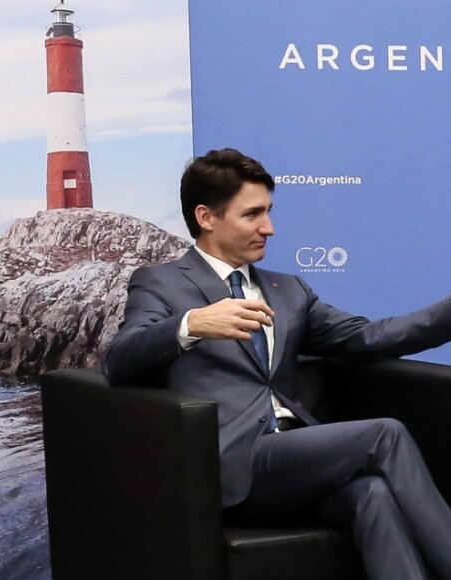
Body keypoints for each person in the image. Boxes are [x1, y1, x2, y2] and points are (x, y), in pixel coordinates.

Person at [103, 148, 451, 580]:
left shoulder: (288, 290)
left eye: (268, 212)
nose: (269, 227)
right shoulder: (162, 283)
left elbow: (370, 336)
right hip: (231, 466)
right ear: (206, 217)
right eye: (253, 215)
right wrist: (192, 323)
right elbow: (118, 360)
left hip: (295, 462)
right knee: (384, 434)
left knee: (371, 494)